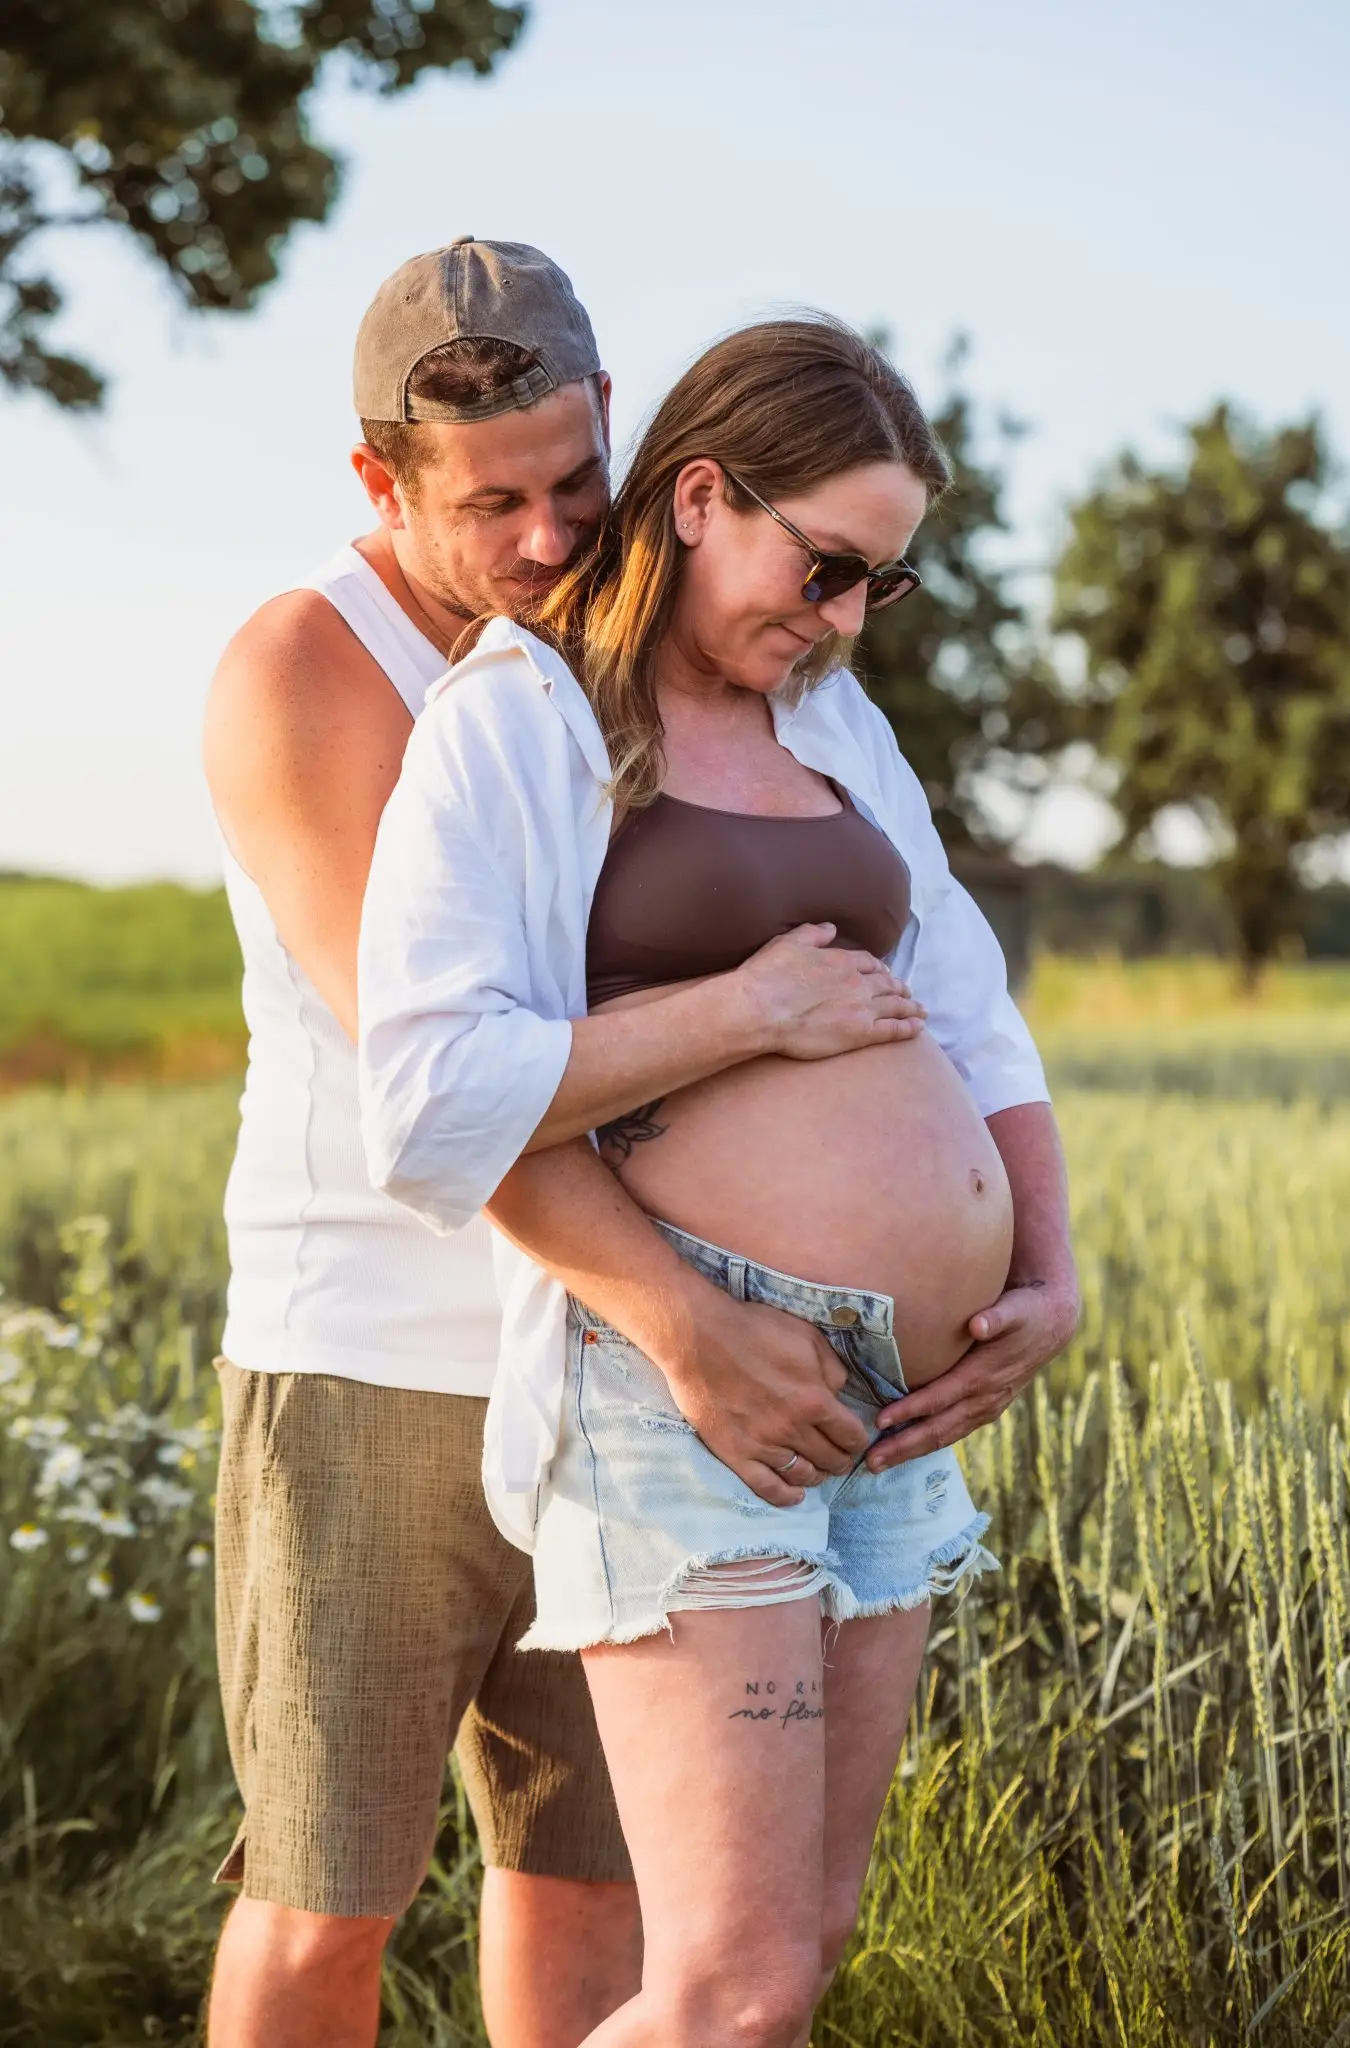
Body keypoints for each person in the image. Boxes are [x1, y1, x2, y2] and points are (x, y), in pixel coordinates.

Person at [201, 242, 924, 2048]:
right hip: (382, 1358)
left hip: (619, 1380)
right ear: (381, 481)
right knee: (325, 1900)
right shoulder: (313, 667)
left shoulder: (658, 654)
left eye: (575, 484)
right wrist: (693, 1321)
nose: (545, 540)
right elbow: (448, 1079)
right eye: (492, 503)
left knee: (591, 1883)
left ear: (624, 428)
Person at [358, 315, 1081, 2046]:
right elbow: (433, 1096)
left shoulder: (834, 721)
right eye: (822, 567)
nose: (838, 622)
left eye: (876, 588)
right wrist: (742, 1015)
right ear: (697, 496)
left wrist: (1045, 1269)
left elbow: (974, 1018)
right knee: (727, 1989)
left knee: (793, 1963)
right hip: (686, 1395)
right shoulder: (514, 725)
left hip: (891, 1404)